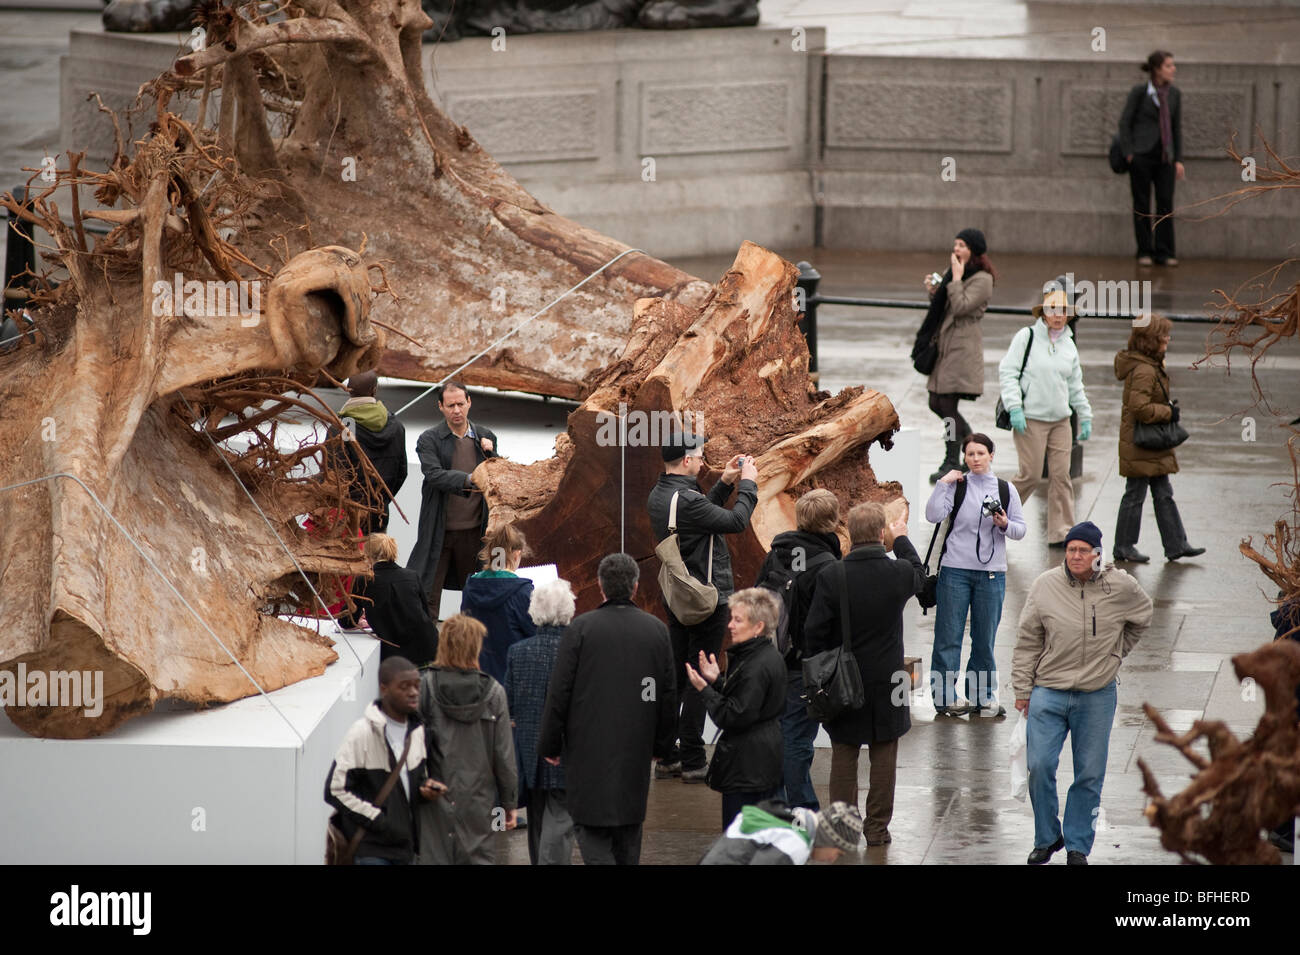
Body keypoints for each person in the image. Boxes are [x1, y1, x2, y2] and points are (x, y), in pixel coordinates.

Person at [1011, 521, 1153, 865]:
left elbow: (1143, 616)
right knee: (1039, 765)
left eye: (1082, 550)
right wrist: (1022, 687)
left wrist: (1116, 653)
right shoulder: (1045, 586)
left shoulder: (1121, 586)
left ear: (1097, 555)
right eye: (1070, 549)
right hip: (1049, 690)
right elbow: (1027, 639)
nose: (1075, 555)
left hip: (1097, 695)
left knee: (1089, 773)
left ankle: (1077, 845)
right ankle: (1047, 837)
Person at [538, 553, 677, 865]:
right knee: (629, 833)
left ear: (600, 586)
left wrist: (550, 742)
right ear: (636, 587)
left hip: (588, 751)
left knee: (592, 831)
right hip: (636, 751)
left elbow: (559, 692)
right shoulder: (656, 631)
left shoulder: (580, 630)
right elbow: (667, 695)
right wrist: (663, 746)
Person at [802, 502, 922, 846]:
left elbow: (814, 633)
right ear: (881, 534)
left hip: (843, 679)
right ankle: (877, 829)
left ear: (849, 535)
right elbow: (920, 572)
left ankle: (842, 828)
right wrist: (901, 539)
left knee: (844, 751)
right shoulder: (897, 573)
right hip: (889, 678)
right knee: (885, 750)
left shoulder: (832, 574)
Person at [647, 430, 758, 783]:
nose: (703, 460)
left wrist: (724, 484)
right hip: (706, 598)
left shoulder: (662, 494)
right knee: (699, 673)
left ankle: (666, 754)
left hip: (678, 596)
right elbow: (735, 522)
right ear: (687, 461)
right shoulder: (688, 499)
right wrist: (748, 485)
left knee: (678, 674)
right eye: (699, 456)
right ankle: (694, 758)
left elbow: (697, 518)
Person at [925, 433, 1027, 716]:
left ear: (991, 455)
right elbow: (933, 515)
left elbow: (1020, 530)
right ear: (965, 458)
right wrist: (943, 483)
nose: (975, 459)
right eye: (970, 454)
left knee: (984, 640)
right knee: (948, 637)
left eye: (981, 453)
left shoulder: (1006, 489)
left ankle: (982, 697)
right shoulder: (958, 486)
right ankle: (944, 698)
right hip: (955, 571)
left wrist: (1005, 524)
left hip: (992, 574)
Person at [754, 488, 843, 810]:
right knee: (797, 740)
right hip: (803, 665)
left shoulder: (778, 550)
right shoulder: (827, 565)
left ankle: (775, 802)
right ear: (833, 521)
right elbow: (826, 623)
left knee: (781, 733)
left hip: (772, 657)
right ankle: (801, 808)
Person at [416, 614, 518, 865]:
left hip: (434, 796)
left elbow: (409, 746)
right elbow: (503, 755)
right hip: (478, 801)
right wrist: (509, 803)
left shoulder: (425, 686)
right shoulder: (494, 692)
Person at [999, 282, 1093, 548]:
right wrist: (1015, 408)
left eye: (1063, 309)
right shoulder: (1026, 337)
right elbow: (1008, 372)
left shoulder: (1069, 345)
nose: (1058, 314)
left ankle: (1062, 532)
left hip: (1061, 421)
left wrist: (1085, 416)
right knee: (1029, 475)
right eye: (1052, 309)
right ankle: (995, 516)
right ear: (1043, 312)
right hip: (1030, 419)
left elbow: (1075, 385)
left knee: (1061, 477)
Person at [325, 656, 442, 865]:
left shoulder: (419, 732)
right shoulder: (361, 733)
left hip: (406, 850)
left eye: (416, 686)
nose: (414, 692)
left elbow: (410, 785)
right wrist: (378, 820)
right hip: (372, 850)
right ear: (384, 688)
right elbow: (334, 789)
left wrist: (425, 789)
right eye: (404, 687)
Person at [685, 587, 787, 827]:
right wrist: (717, 681)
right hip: (760, 761)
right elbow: (747, 701)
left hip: (748, 768)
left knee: (740, 841)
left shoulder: (756, 665)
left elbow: (734, 715)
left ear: (758, 626)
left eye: (738, 620)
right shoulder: (764, 656)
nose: (730, 625)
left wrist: (704, 689)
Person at [1112, 314, 1205, 562]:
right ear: (1150, 341)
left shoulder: (1148, 365)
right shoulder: (1144, 370)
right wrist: (1168, 412)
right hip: (1142, 442)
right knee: (1135, 495)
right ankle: (1124, 546)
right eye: (1163, 336)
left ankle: (1176, 544)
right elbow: (1139, 407)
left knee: (1163, 492)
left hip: (1149, 443)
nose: (1167, 340)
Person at [408, 382, 498, 618]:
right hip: (439, 530)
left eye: (460, 404)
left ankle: (469, 649)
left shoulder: (485, 436)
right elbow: (434, 474)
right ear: (440, 406)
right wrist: (470, 479)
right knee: (426, 594)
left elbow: (498, 475)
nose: (456, 410)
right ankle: (427, 650)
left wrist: (492, 454)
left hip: (473, 532)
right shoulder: (429, 439)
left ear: (469, 403)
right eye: (450, 405)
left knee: (474, 597)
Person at [504, 579, 578, 865]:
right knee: (560, 819)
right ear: (568, 610)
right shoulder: (578, 651)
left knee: (536, 820)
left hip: (529, 752)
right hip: (567, 751)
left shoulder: (518, 652)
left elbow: (508, 706)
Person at [922, 227, 997, 482]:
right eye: (955, 244)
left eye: (962, 245)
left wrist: (954, 279)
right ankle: (967, 447)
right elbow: (946, 304)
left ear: (974, 250)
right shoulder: (956, 272)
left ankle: (954, 459)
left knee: (946, 404)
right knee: (936, 402)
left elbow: (962, 306)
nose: (957, 250)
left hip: (962, 349)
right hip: (946, 345)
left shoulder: (983, 279)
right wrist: (935, 290)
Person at [1118, 51, 1183, 267]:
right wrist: (1129, 153)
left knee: (1165, 203)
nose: (1173, 69)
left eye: (1173, 65)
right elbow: (1125, 123)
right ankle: (1144, 250)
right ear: (1156, 69)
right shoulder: (1139, 93)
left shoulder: (1174, 94)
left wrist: (1178, 159)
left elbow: (1176, 129)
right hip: (1141, 156)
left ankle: (1165, 252)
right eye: (1168, 65)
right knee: (1142, 204)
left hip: (1165, 157)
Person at [460, 523, 537, 683]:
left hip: (477, 678)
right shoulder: (524, 592)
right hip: (512, 678)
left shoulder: (470, 587)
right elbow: (534, 634)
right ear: (517, 554)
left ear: (490, 553)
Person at [348, 533, 439, 666]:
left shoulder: (364, 580)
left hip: (392, 654)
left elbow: (347, 622)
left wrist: (363, 614)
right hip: (426, 646)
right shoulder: (412, 576)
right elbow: (425, 612)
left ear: (367, 555)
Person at [336, 370, 408, 532]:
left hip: (348, 514)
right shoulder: (395, 425)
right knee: (376, 556)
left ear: (348, 389)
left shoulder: (344, 426)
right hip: (380, 511)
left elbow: (335, 473)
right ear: (374, 390)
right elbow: (402, 472)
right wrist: (382, 499)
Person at [699, 800, 864, 865]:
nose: (832, 860)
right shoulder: (796, 843)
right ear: (828, 838)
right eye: (838, 853)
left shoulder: (786, 819)